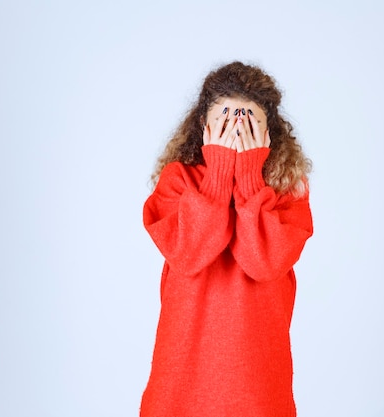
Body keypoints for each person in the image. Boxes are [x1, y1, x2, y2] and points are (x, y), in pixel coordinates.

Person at [140, 61, 313, 417]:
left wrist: (250, 178)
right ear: (204, 127)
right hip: (183, 376)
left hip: (257, 379)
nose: (237, 126)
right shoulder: (177, 181)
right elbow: (188, 254)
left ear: (269, 133)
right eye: (227, 117)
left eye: (249, 119)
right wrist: (218, 174)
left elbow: (263, 261)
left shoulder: (286, 191)